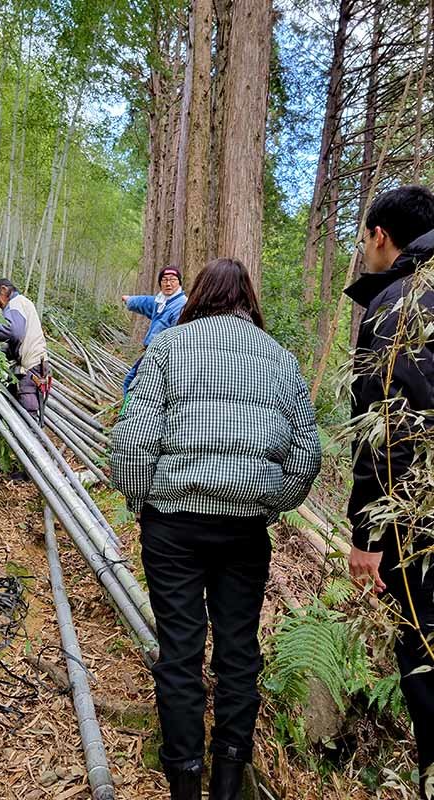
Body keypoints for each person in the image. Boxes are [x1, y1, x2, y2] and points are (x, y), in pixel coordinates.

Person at [110, 258, 321, 800]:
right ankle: (228, 781)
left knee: (179, 650)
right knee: (238, 652)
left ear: (198, 296)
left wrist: (142, 496)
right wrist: (269, 503)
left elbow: (133, 439)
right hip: (243, 530)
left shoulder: (167, 348)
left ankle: (183, 779)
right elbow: (306, 455)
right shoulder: (278, 358)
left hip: (172, 525)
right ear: (249, 298)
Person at [345, 185, 434, 799]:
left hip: (419, 521)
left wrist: (370, 536)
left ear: (381, 235)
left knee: (425, 653)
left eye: (364, 239)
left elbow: (390, 426)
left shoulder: (401, 306)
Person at [0, 278, 50, 423]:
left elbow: (13, 332)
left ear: (3, 290)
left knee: (28, 416)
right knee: (20, 406)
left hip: (31, 367)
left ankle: (33, 444)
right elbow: (15, 345)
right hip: (34, 365)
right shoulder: (21, 304)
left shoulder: (15, 304)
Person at [121, 265, 187, 395]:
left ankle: (130, 410)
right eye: (164, 280)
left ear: (179, 283)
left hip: (163, 356)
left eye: (173, 280)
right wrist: (130, 300)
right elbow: (145, 302)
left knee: (134, 382)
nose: (168, 284)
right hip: (152, 351)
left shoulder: (181, 305)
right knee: (132, 379)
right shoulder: (162, 301)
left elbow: (178, 335)